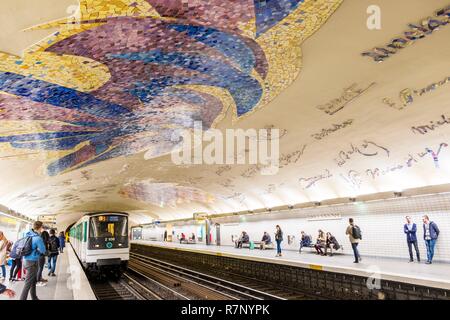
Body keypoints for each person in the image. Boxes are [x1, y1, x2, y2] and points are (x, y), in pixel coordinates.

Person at [20, 221, 47, 300]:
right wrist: (39, 250)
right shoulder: (38, 238)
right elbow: (43, 250)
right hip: (32, 262)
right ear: (40, 227)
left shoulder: (28, 234)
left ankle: (34, 297)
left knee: (33, 281)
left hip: (25, 260)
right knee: (28, 283)